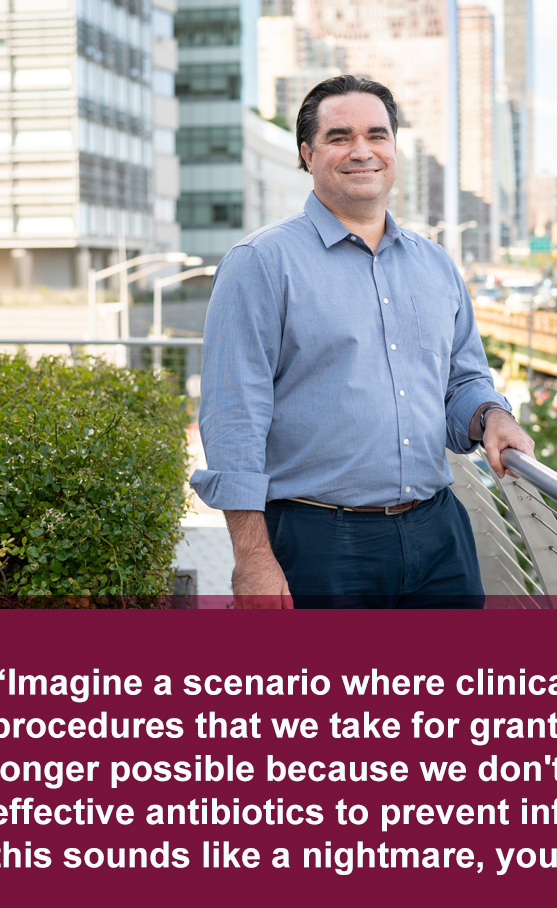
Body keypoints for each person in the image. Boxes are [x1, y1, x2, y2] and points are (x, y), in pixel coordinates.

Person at [190, 74, 535, 609]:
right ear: (307, 154)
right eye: (339, 137)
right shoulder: (260, 263)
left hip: (439, 532)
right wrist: (252, 557)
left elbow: (463, 380)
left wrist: (493, 415)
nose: (362, 151)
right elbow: (233, 417)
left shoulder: (436, 264)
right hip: (317, 542)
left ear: (393, 149)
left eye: (377, 135)